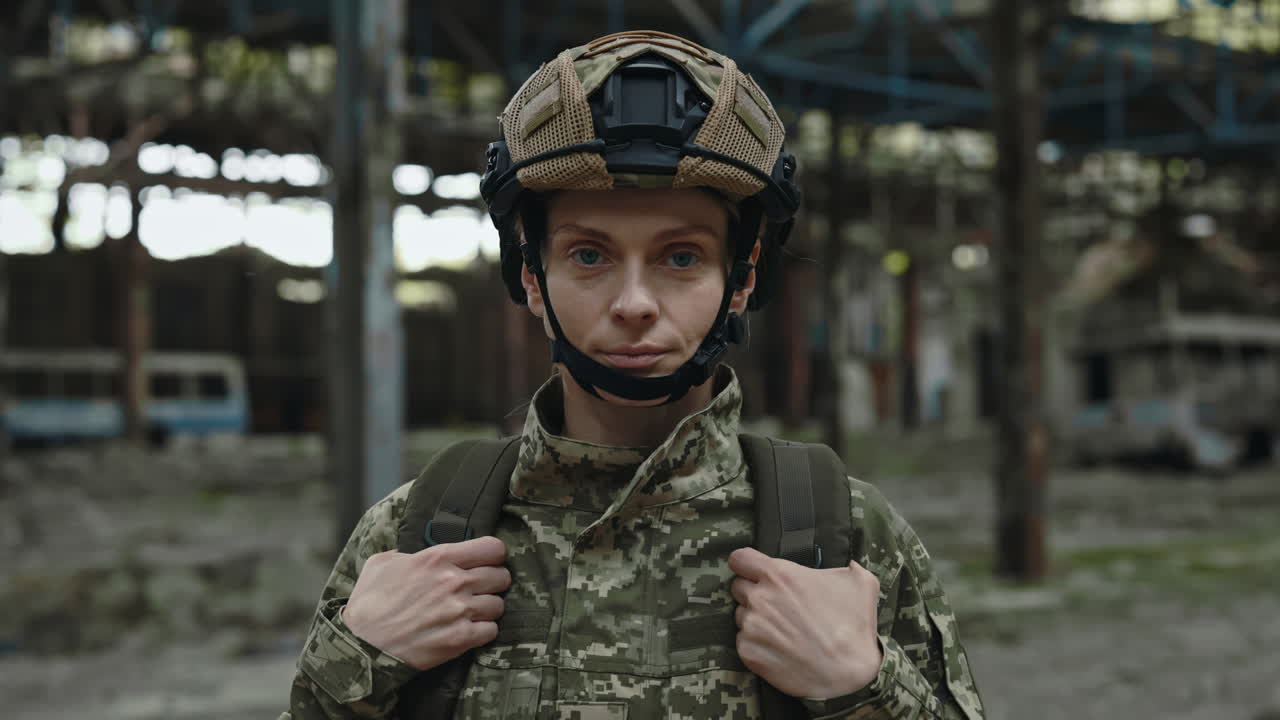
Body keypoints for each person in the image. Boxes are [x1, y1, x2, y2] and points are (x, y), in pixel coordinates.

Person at [282, 30, 985, 720]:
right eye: (589, 256)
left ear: (740, 281)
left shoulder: (849, 533)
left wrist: (864, 686)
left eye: (681, 258)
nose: (634, 304)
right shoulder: (416, 531)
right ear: (532, 277)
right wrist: (352, 668)